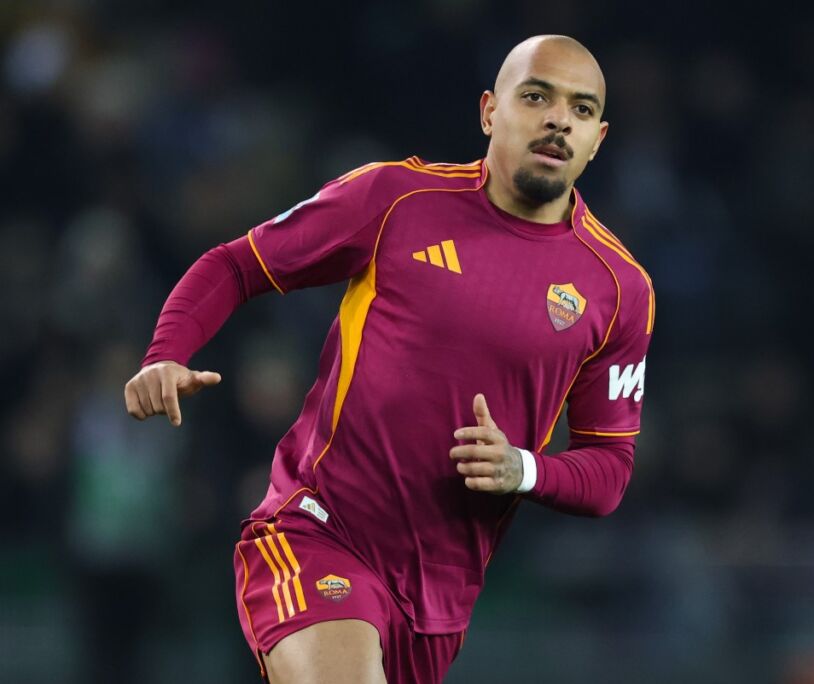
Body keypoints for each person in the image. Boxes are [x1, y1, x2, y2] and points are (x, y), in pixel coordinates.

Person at [125, 34, 654, 683]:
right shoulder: (396, 199)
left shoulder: (618, 289)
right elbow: (238, 264)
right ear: (490, 112)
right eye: (537, 97)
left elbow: (609, 468)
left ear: (597, 139)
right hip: (317, 532)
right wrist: (165, 353)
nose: (558, 121)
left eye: (580, 109)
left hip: (442, 599)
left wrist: (521, 468)